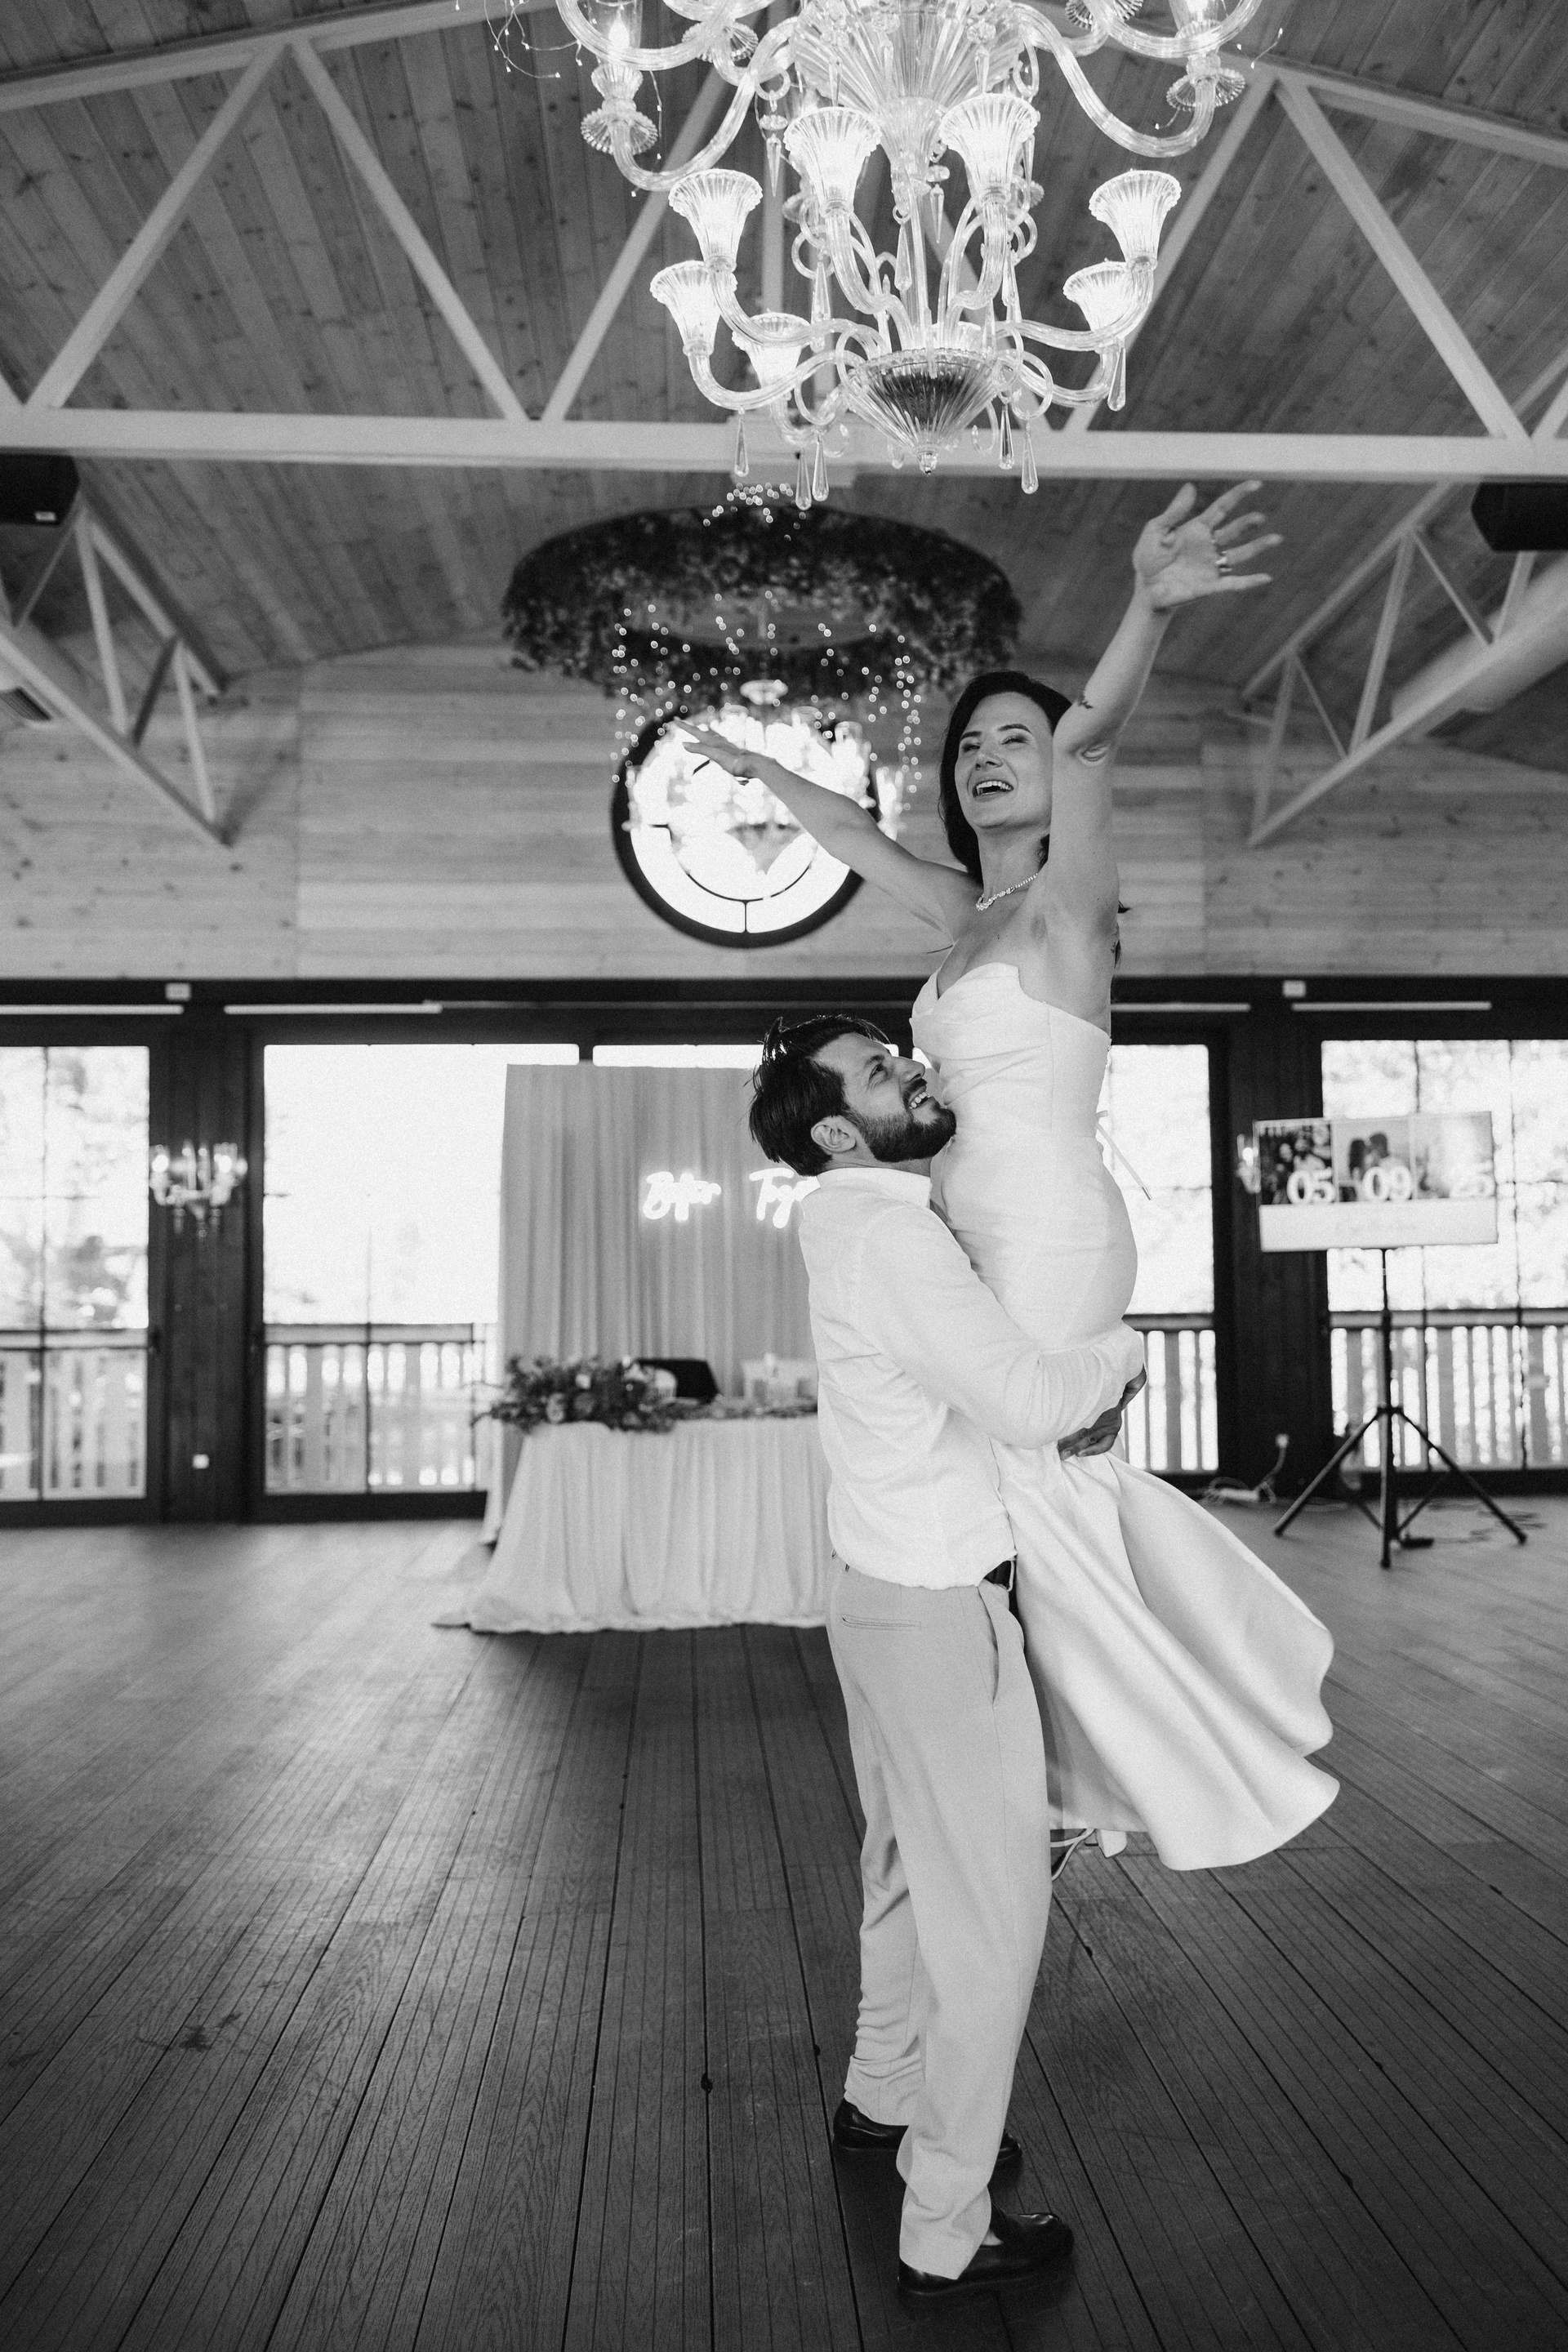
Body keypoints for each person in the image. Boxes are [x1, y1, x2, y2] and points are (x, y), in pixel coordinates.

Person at [693, 483, 1337, 1870]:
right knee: (1013, 1484)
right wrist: (756, 769)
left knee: (1034, 1477)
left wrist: (1148, 606)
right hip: (973, 1222)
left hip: (1043, 1223)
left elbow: (1096, 736)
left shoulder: (1068, 908)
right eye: (973, 743)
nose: (991, 756)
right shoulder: (966, 917)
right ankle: (1058, 1766)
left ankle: (1093, 1775)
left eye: (1017, 739)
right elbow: (855, 843)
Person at [747, 1010, 1144, 2303]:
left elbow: (974, 1405)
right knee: (994, 1924)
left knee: (907, 1872)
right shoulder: (896, 1235)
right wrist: (1120, 1349)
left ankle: (884, 2094)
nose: (912, 1070)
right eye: (881, 1071)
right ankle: (945, 2225)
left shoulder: (846, 1221)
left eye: (897, 1055)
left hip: (877, 1595)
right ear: (834, 1131)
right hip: (934, 1610)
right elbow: (1025, 1401)